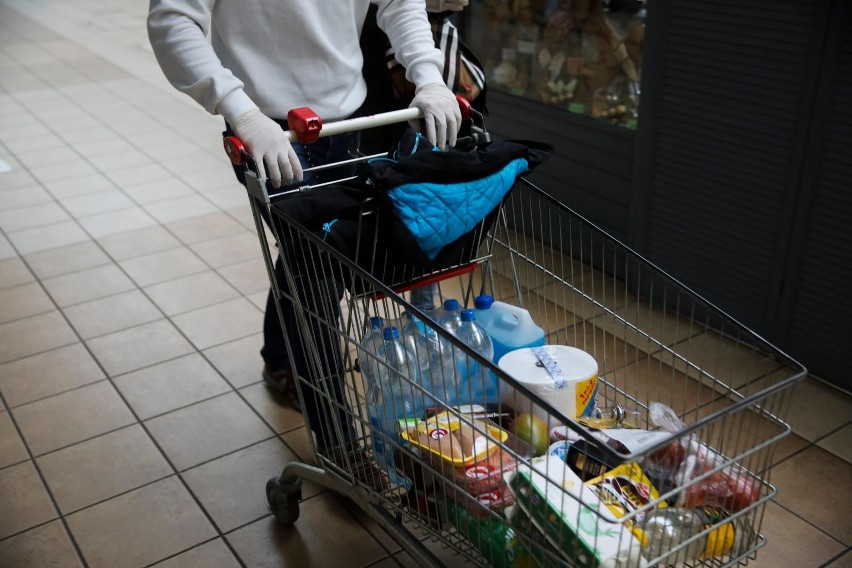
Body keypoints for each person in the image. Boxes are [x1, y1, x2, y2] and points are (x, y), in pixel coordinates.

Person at [147, 0, 463, 484]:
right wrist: (240, 110)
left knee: (308, 256)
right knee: (319, 273)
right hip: (266, 129)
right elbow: (173, 20)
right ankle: (339, 447)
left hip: (351, 117)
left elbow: (400, 3)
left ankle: (279, 361)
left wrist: (428, 75)